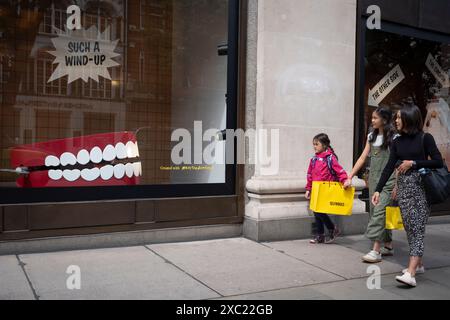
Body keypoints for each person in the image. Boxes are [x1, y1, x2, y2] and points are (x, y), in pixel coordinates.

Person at [372, 104, 444, 287]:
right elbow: (390, 166)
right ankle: (418, 265)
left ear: (409, 118)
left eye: (399, 117)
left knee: (417, 229)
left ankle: (411, 273)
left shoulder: (425, 138)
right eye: (395, 117)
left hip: (420, 189)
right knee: (410, 228)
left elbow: (437, 161)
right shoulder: (397, 141)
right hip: (403, 190)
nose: (396, 121)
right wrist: (378, 189)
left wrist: (413, 163)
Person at [344, 107, 397, 263]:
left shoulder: (394, 138)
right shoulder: (371, 137)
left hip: (389, 179)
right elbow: (362, 158)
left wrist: (397, 184)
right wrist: (350, 176)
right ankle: (388, 245)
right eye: (372, 118)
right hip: (374, 179)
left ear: (385, 120)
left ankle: (376, 250)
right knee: (378, 211)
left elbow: (397, 161)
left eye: (375, 118)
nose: (372, 120)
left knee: (379, 211)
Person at [305, 133, 349, 244]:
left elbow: (339, 171)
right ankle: (320, 235)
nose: (314, 146)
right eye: (313, 144)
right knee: (316, 212)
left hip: (325, 190)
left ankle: (332, 229)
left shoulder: (330, 158)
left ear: (324, 145)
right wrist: (308, 189)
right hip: (316, 189)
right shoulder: (314, 159)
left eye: (317, 144)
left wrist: (345, 180)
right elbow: (309, 175)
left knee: (319, 211)